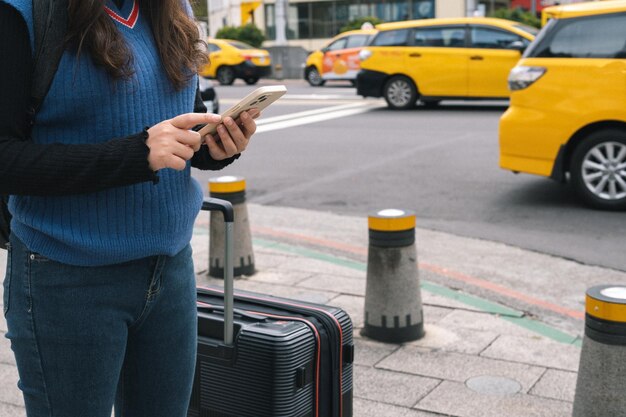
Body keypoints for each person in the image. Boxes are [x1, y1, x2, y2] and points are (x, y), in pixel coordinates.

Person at [0, 1, 259, 416]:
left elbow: (177, 132)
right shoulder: (25, 11)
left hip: (170, 269)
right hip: (66, 278)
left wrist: (219, 146)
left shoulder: (175, 9)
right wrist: (136, 155)